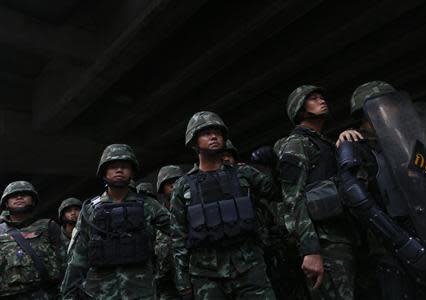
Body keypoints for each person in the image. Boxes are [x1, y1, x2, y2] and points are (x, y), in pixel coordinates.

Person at [336, 81, 426, 300]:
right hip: (392, 244)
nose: (394, 110)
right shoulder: (359, 147)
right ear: (365, 115)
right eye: (387, 106)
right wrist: (400, 241)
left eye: (394, 105)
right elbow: (355, 196)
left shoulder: (409, 142)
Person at [171, 111, 278, 300]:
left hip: (249, 266)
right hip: (206, 274)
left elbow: (277, 192)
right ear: (194, 143)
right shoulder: (182, 186)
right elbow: (179, 236)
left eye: (217, 133)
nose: (213, 136)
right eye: (206, 133)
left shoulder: (244, 173)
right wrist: (183, 281)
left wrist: (275, 164)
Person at [274, 85, 356, 300]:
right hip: (323, 242)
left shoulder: (323, 143)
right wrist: (310, 250)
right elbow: (293, 199)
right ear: (300, 110)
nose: (321, 101)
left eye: (321, 96)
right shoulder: (296, 144)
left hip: (341, 235)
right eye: (313, 99)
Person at [61, 144, 171, 300]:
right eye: (113, 167)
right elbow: (78, 256)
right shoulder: (90, 210)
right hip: (101, 293)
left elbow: (178, 231)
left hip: (141, 291)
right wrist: (68, 293)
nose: (119, 170)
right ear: (104, 172)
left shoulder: (148, 205)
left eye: (125, 166)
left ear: (132, 172)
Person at [0, 181, 65, 299]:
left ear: (33, 200)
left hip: (47, 294)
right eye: (14, 195)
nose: (19, 197)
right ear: (6, 203)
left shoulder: (48, 226)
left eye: (24, 194)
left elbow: (65, 263)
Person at [154, 165, 184, 300]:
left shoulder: (192, 209)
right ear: (161, 188)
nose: (173, 186)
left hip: (191, 274)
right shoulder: (154, 214)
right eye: (168, 183)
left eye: (177, 181)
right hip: (165, 280)